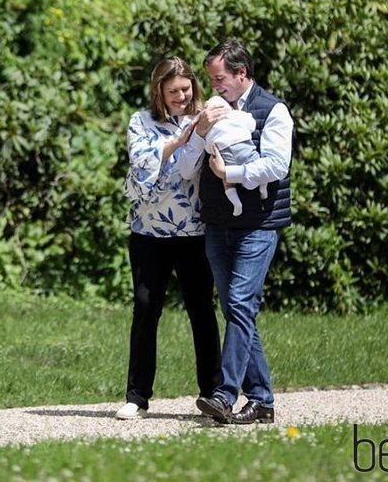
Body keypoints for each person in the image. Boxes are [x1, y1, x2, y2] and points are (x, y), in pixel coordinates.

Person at [178, 38, 293, 425]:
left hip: (257, 226)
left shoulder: (273, 110)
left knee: (240, 306)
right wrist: (198, 132)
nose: (215, 87)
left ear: (242, 74)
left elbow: (277, 165)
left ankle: (225, 396)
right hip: (217, 226)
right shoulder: (211, 112)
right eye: (211, 80)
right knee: (235, 310)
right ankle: (261, 400)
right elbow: (185, 168)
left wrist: (234, 175)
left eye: (220, 79)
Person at [116, 56, 222, 420]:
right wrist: (178, 141)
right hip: (149, 233)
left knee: (202, 312)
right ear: (159, 90)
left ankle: (213, 395)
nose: (181, 95)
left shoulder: (202, 116)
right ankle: (137, 397)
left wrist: (199, 131)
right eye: (173, 90)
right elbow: (140, 161)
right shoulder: (140, 121)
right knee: (146, 310)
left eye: (186, 88)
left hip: (194, 232)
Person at [202, 95, 267, 217]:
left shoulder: (210, 128)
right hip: (244, 147)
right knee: (258, 166)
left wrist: (212, 151)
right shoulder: (235, 115)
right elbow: (251, 124)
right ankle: (263, 186)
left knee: (227, 182)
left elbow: (209, 146)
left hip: (226, 154)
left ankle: (237, 204)